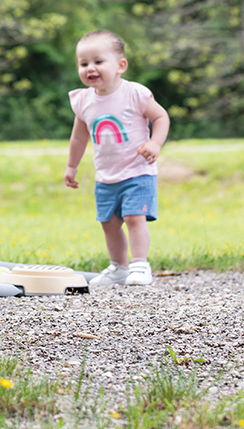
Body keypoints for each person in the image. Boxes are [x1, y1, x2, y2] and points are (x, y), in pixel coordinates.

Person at [63, 30, 170, 286]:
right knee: (109, 223)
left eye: (98, 62)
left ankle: (140, 265)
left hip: (137, 171)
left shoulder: (135, 94)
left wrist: (155, 143)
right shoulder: (83, 101)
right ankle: (119, 267)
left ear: (121, 65)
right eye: (83, 63)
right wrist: (71, 166)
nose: (90, 68)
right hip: (106, 176)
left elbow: (161, 117)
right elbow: (79, 138)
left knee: (134, 217)